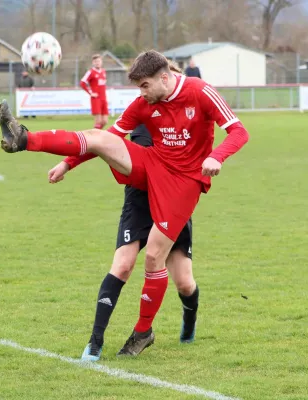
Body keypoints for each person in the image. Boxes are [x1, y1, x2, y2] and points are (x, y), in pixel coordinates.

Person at [0, 49, 249, 357]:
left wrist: (215, 156)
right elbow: (107, 138)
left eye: (144, 86)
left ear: (164, 78)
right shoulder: (144, 104)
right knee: (101, 138)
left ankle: (143, 332)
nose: (140, 94)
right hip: (152, 164)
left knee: (155, 258)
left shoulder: (200, 91)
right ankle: (24, 139)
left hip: (185, 182)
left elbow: (239, 131)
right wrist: (68, 164)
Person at [47, 63, 198, 361]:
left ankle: (188, 323)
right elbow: (102, 143)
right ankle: (95, 341)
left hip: (172, 200)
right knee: (123, 265)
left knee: (184, 281)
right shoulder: (141, 112)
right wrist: (67, 163)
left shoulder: (186, 119)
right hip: (139, 200)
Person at [80, 54, 108, 129]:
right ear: (93, 63)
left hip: (103, 98)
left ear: (101, 62)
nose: (97, 63)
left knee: (105, 121)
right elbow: (82, 82)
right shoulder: (91, 72)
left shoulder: (103, 71)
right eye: (95, 61)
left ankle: (95, 134)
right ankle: (94, 137)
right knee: (98, 121)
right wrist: (91, 93)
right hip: (96, 99)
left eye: (98, 61)